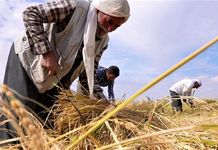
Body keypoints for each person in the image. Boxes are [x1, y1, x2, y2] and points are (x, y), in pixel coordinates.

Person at [1, 0, 130, 139]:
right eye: (109, 21)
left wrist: (104, 103)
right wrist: (46, 52)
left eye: (117, 26)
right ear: (99, 10)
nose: (110, 29)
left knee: (46, 122)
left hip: (57, 77)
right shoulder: (75, 8)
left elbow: (88, 75)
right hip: (28, 61)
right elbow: (31, 14)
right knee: (18, 119)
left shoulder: (103, 42)